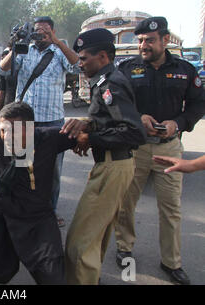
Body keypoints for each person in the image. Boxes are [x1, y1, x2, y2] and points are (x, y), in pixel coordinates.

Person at [114, 17, 205, 285]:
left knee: (171, 208)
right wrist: (137, 117)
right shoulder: (127, 70)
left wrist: (178, 123)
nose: (143, 45)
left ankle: (172, 262)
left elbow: (198, 105)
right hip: (137, 147)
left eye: (149, 40)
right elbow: (116, 102)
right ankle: (124, 247)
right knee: (126, 202)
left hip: (170, 148)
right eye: (140, 40)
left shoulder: (186, 70)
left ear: (165, 40)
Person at [0, 102, 78, 285]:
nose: (6, 136)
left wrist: (86, 127)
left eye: (13, 130)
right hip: (4, 215)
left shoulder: (49, 137)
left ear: (30, 129)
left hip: (38, 220)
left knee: (54, 278)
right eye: (3, 130)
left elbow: (88, 134)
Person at [61, 28, 146, 285]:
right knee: (95, 237)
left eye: (85, 57)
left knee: (79, 244)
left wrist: (91, 138)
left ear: (103, 57)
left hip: (113, 166)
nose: (81, 63)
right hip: (112, 164)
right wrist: (89, 125)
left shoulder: (111, 84)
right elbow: (109, 120)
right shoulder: (104, 81)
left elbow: (134, 132)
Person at [0, 16, 81, 227]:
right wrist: (16, 43)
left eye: (45, 31)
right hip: (24, 122)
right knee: (20, 166)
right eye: (37, 31)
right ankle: (21, 207)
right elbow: (3, 70)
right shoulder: (25, 50)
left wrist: (57, 42)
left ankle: (49, 211)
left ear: (52, 31)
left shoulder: (58, 52)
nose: (40, 35)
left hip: (53, 122)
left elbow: (78, 66)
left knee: (52, 171)